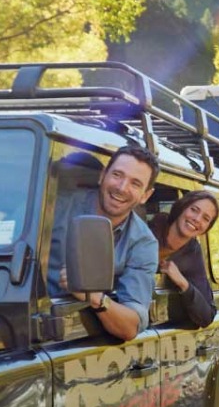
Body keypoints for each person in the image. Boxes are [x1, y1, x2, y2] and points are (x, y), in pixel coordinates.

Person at [47, 146, 158, 340]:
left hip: (74, 334)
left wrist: (93, 295)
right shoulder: (53, 208)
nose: (122, 188)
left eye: (135, 183)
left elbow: (131, 325)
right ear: (102, 176)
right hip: (19, 317)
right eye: (117, 175)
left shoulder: (143, 243)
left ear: (145, 196)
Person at [148, 189, 219, 329]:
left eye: (206, 218)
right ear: (181, 208)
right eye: (194, 210)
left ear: (206, 229)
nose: (197, 219)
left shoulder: (192, 252)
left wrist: (182, 282)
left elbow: (206, 317)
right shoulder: (146, 232)